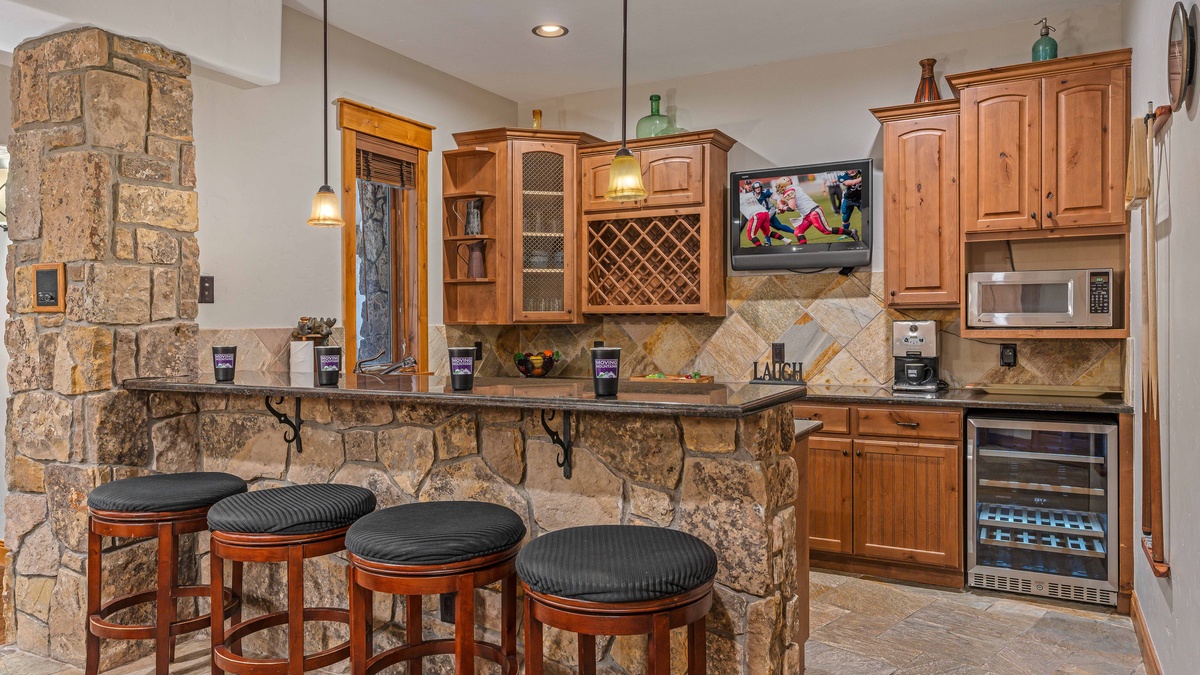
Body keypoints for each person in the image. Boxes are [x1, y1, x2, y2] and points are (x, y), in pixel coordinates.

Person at [777, 176, 859, 245]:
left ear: (783, 186)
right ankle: (803, 251)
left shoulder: (790, 191)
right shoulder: (793, 188)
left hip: (813, 212)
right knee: (798, 232)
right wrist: (781, 207)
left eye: (778, 186)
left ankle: (851, 232)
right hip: (807, 214)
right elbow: (790, 204)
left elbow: (792, 208)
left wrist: (781, 206)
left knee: (826, 230)